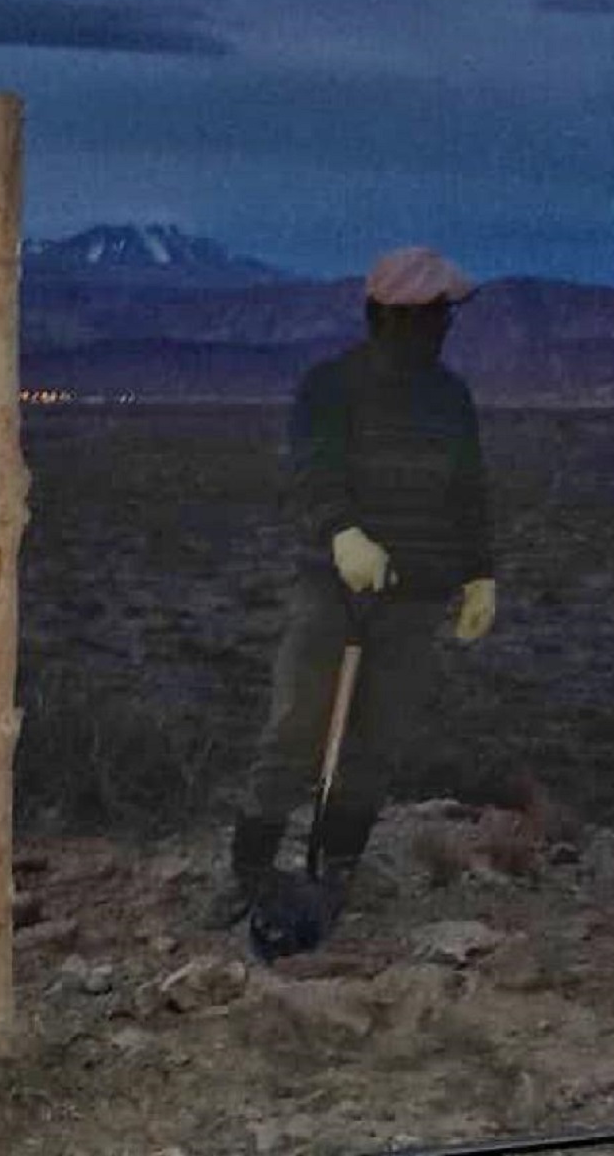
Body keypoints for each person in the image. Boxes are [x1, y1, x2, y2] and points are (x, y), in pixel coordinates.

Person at [206, 246, 497, 931]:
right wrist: (342, 532)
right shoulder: (331, 385)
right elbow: (313, 470)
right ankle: (249, 873)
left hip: (416, 596)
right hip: (329, 589)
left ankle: (336, 872)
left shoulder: (450, 398)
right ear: (389, 315)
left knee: (376, 743)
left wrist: (479, 573)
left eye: (443, 313)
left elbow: (468, 492)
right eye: (430, 313)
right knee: (294, 730)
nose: (440, 325)